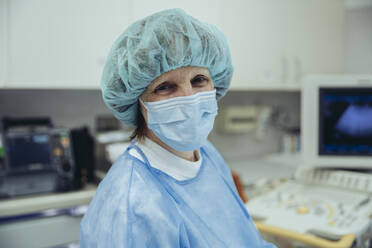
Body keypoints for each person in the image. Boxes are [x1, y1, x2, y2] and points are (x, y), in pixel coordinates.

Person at [80, 8, 275, 247]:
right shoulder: (132, 205)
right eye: (164, 87)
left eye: (199, 80)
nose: (189, 98)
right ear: (137, 102)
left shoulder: (207, 155)